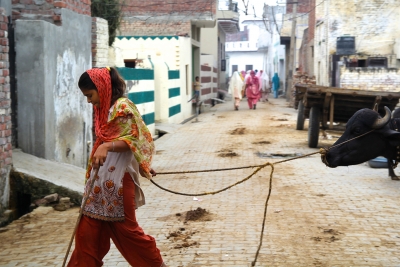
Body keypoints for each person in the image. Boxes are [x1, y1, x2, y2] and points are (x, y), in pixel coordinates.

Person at [67, 67, 168, 267]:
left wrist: (107, 146)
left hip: (118, 184)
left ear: (102, 87)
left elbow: (133, 139)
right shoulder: (103, 110)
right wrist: (139, 163)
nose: (88, 101)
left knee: (129, 235)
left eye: (89, 95)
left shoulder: (123, 107)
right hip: (98, 184)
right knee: (87, 236)